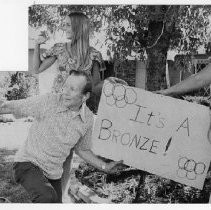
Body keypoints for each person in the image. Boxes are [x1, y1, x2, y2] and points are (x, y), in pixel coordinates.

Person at [0, 70, 123, 203]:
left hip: (54, 173)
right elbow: (12, 107)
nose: (65, 91)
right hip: (28, 163)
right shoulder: (48, 101)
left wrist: (105, 166)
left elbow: (82, 149)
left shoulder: (87, 118)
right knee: (47, 197)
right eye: (65, 86)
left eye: (72, 89)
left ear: (85, 96)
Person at [33, 11, 105, 93]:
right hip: (58, 99)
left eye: (68, 25)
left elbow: (95, 86)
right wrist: (37, 44)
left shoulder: (94, 55)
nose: (64, 29)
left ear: (79, 27)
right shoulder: (59, 49)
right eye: (64, 25)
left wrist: (109, 84)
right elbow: (37, 69)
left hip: (78, 102)